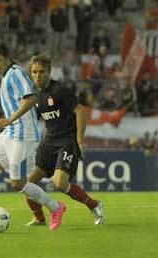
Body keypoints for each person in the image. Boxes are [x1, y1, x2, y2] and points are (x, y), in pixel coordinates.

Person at [0, 43, 66, 232]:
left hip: (24, 135)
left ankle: (56, 208)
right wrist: (10, 123)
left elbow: (31, 99)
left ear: (7, 57)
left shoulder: (16, 73)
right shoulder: (6, 75)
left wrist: (10, 119)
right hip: (10, 133)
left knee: (18, 183)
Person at [24, 54, 104, 226]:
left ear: (50, 71)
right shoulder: (35, 95)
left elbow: (80, 111)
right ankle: (39, 218)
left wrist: (79, 141)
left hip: (66, 142)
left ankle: (94, 205)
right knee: (27, 184)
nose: (38, 76)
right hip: (49, 143)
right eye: (34, 72)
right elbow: (34, 120)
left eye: (42, 72)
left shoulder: (59, 90)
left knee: (59, 183)